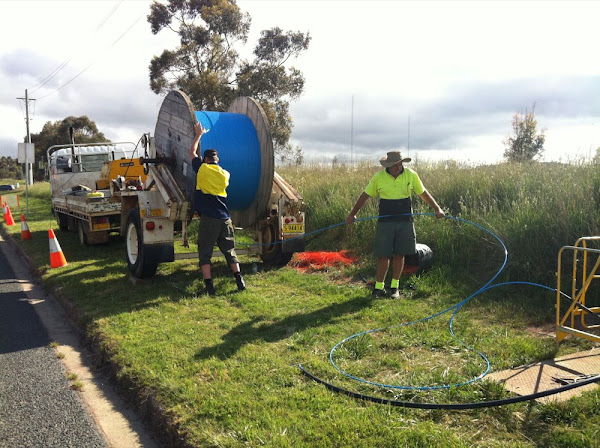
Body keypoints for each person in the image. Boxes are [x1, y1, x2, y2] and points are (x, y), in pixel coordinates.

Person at [346, 150, 445, 298]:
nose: (398, 167)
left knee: (400, 254)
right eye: (394, 165)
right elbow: (365, 195)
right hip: (385, 222)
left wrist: (437, 208)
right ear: (388, 165)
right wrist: (353, 213)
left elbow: (423, 193)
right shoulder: (378, 177)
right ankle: (379, 288)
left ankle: (394, 288)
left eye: (400, 164)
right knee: (383, 256)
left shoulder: (411, 175)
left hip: (405, 221)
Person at [189, 122, 246, 295]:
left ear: (206, 160)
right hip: (225, 218)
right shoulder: (225, 174)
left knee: (205, 252)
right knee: (229, 250)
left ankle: (209, 286)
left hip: (210, 218)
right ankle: (239, 279)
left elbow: (191, 152)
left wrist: (199, 134)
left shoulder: (202, 169)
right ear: (217, 160)